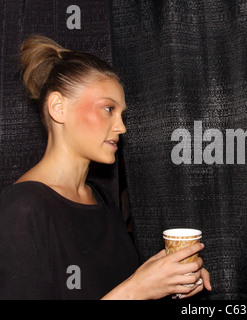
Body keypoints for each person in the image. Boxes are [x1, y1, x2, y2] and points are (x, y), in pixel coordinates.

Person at [0, 35, 211, 299]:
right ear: (58, 108)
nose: (121, 127)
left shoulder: (99, 198)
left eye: (121, 114)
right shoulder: (21, 210)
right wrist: (137, 289)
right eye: (108, 109)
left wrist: (164, 279)